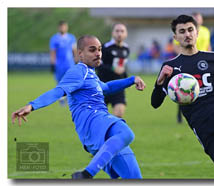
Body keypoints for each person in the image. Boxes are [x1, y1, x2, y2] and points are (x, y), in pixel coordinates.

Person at [12, 35, 146, 179]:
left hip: (99, 126)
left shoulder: (91, 74)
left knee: (134, 177)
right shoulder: (78, 71)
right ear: (80, 53)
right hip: (92, 121)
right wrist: (32, 106)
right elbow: (58, 91)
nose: (98, 53)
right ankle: (86, 175)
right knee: (126, 133)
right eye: (92, 50)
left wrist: (132, 79)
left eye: (99, 50)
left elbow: (106, 87)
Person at [151, 15, 214, 179]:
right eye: (182, 31)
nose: (187, 34)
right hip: (204, 127)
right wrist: (160, 82)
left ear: (197, 33)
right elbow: (155, 103)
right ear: (176, 37)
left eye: (190, 30)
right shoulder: (170, 68)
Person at [173, 12, 212, 123]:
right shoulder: (185, 32)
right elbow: (176, 45)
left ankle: (205, 112)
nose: (197, 20)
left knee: (204, 88)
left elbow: (208, 45)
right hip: (187, 62)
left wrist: (208, 57)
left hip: (202, 63)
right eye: (195, 18)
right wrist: (183, 57)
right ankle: (181, 115)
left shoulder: (205, 31)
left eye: (199, 18)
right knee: (183, 89)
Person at [96, 23, 129, 118]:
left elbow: (122, 66)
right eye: (117, 31)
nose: (119, 34)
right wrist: (113, 69)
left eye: (122, 31)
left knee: (119, 113)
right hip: (103, 85)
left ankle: (113, 131)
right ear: (112, 33)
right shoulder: (104, 47)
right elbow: (98, 65)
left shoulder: (126, 49)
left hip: (118, 85)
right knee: (98, 116)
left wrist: (126, 79)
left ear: (126, 34)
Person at [49, 20, 78, 105]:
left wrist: (76, 60)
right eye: (61, 26)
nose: (63, 28)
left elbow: (74, 50)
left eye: (64, 26)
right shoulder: (54, 38)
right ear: (59, 27)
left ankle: (71, 97)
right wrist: (52, 63)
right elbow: (53, 52)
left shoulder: (71, 37)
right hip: (59, 64)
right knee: (59, 82)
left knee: (71, 81)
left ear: (67, 27)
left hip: (70, 63)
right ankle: (61, 98)